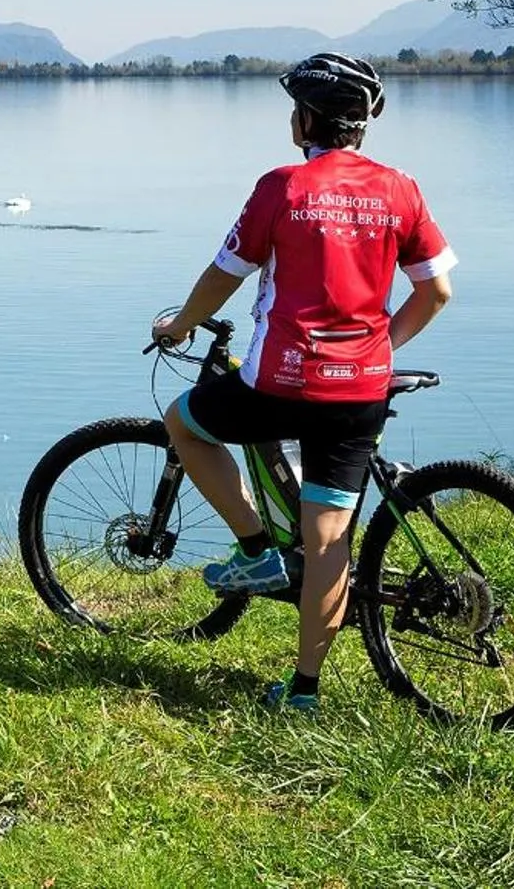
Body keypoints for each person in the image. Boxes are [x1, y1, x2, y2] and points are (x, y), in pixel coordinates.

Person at [150, 52, 455, 713]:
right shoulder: (400, 188)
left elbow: (222, 275)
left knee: (184, 421)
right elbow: (436, 291)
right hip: (361, 387)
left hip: (282, 384)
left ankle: (257, 550)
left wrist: (180, 323)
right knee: (326, 540)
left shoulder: (282, 187)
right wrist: (377, 348)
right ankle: (303, 692)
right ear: (362, 124)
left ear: (304, 120)